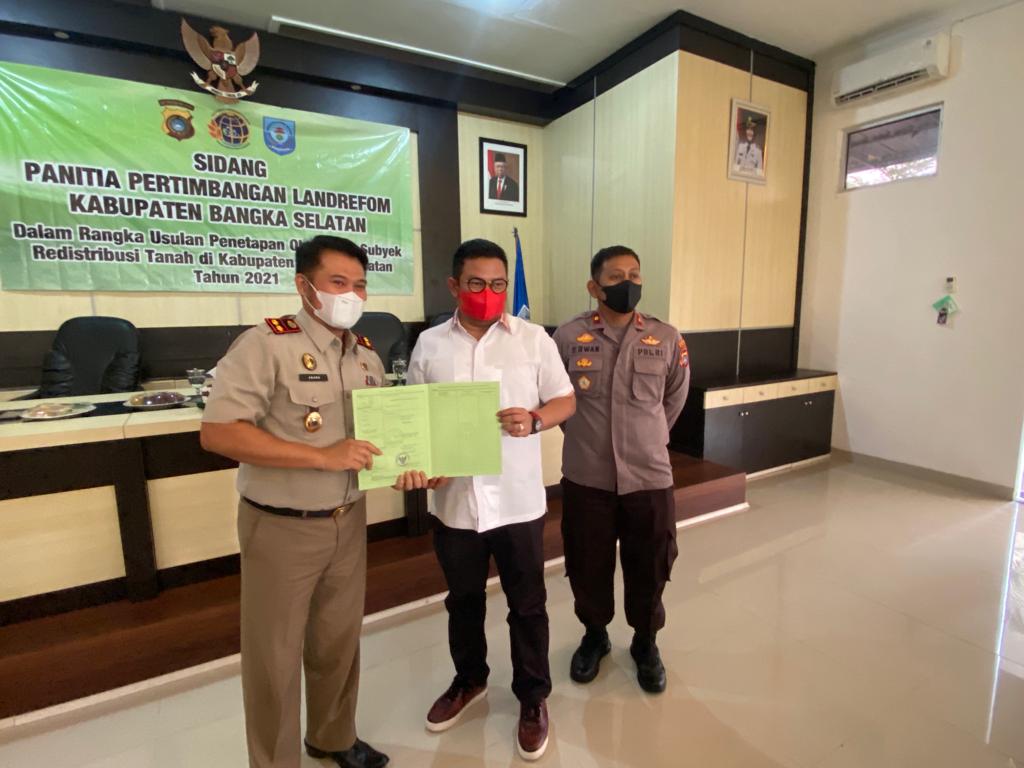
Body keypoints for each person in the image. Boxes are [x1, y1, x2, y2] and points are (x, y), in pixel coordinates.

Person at [200, 235, 393, 768]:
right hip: (281, 527)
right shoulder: (265, 344)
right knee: (274, 658)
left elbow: (377, 441)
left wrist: (405, 466)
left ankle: (332, 737)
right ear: (304, 286)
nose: (351, 295)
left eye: (359, 285)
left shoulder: (367, 355)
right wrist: (321, 457)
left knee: (338, 641)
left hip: (348, 520)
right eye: (338, 283)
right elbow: (219, 432)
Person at [407, 238, 575, 761]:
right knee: (463, 601)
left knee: (528, 605)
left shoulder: (534, 339)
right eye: (476, 283)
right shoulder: (429, 345)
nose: (488, 292)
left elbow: (565, 399)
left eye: (498, 284)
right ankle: (470, 680)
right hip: (455, 502)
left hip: (517, 501)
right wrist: (419, 460)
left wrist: (536, 419)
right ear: (454, 285)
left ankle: (532, 697)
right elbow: (414, 416)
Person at [552, 245, 690, 694]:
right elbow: (557, 399)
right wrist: (588, 438)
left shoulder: (666, 337)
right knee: (587, 562)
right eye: (615, 277)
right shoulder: (567, 336)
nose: (627, 283)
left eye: (634, 274)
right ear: (594, 287)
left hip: (649, 476)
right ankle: (595, 635)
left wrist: (645, 438)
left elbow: (674, 398)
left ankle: (646, 641)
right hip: (587, 476)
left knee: (650, 563)